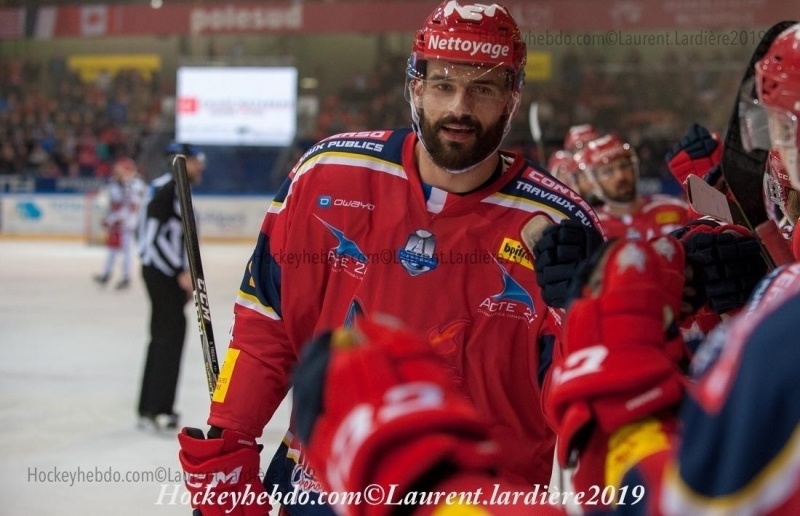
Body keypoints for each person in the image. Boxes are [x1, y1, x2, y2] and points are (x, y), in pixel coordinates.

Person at [176, 2, 602, 514]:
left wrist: (581, 308)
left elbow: (582, 395)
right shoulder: (327, 175)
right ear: (416, 86)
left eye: (483, 89)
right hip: (320, 489)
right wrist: (231, 437)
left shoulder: (562, 229)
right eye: (444, 84)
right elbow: (267, 321)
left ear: (513, 95)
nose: (459, 108)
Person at [136, 141, 205, 432]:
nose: (201, 166)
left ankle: (150, 408)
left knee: (164, 337)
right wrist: (179, 272)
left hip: (162, 274)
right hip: (162, 275)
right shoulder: (169, 189)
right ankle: (158, 409)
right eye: (197, 160)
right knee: (168, 338)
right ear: (183, 161)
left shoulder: (170, 187)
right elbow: (151, 238)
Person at [575, 134, 690, 241]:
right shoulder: (592, 227)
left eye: (624, 166)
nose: (620, 176)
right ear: (593, 180)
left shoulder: (676, 208)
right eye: (608, 171)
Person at [93, 156, 146, 290]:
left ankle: (125, 277)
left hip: (128, 223)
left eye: (121, 169)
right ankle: (106, 274)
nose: (117, 171)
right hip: (118, 222)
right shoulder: (114, 183)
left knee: (126, 251)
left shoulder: (134, 185)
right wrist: (110, 218)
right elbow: (112, 203)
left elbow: (132, 207)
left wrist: (113, 219)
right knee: (112, 249)